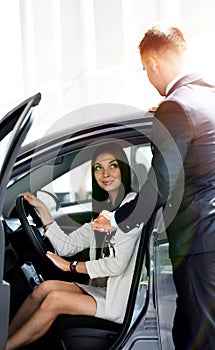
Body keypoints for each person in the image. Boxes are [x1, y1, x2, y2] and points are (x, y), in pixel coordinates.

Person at [93, 25, 215, 350]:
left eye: (146, 69)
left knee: (200, 339)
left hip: (199, 244)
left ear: (155, 63)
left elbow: (162, 182)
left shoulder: (176, 108)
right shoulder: (206, 97)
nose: (149, 76)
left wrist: (117, 220)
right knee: (189, 333)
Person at [6, 143, 142, 350]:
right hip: (104, 291)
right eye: (98, 168)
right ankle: (3, 337)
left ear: (123, 170)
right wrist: (42, 209)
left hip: (121, 301)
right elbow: (67, 246)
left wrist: (70, 266)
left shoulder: (130, 209)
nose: (105, 173)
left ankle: (7, 346)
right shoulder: (104, 211)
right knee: (45, 288)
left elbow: (117, 266)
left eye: (112, 166)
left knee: (55, 300)